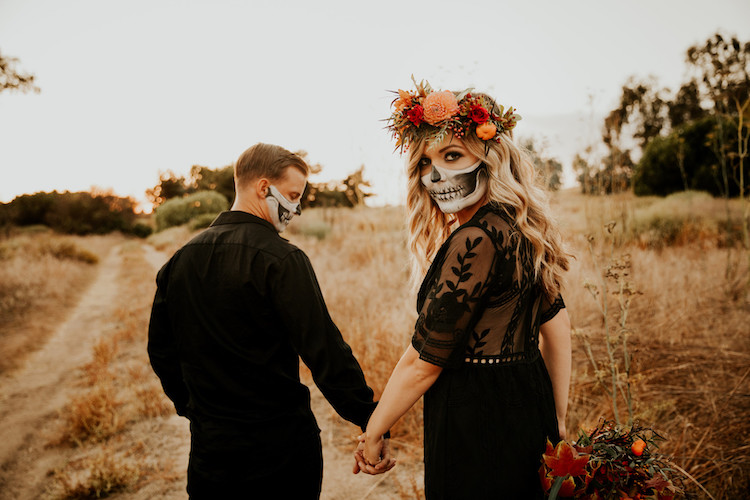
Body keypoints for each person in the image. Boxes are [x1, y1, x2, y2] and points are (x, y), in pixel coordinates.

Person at [354, 81, 572, 499]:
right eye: (425, 162)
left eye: (452, 155)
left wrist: (374, 432)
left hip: (477, 416)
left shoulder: (475, 240)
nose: (435, 175)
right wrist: (556, 418)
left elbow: (425, 364)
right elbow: (557, 325)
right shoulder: (521, 229)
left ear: (491, 158)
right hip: (531, 402)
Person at [148, 143, 393, 499]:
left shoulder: (180, 260)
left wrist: (194, 409)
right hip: (281, 450)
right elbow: (324, 352)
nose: (296, 208)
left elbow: (161, 351)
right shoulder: (282, 259)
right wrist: (371, 422)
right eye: (293, 195)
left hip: (210, 450)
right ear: (264, 188)